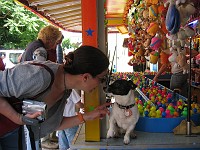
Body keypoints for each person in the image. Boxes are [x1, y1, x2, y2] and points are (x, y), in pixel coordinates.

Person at [0, 45, 110, 150]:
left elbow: (54, 125)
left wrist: (88, 116)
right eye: (102, 79)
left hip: (13, 133)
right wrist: (17, 118)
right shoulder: (41, 75)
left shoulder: (65, 89)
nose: (101, 84)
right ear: (86, 77)